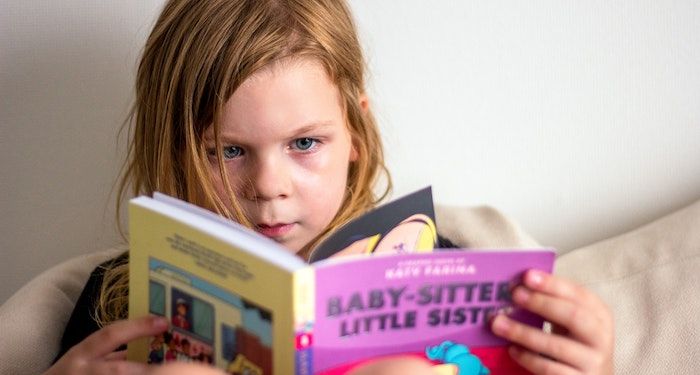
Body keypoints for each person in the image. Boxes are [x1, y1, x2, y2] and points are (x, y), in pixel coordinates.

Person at [46, 0, 614, 374]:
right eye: (227, 151)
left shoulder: (429, 261)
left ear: (355, 133)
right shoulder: (116, 294)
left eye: (305, 144)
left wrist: (592, 365)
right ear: (174, 150)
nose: (268, 187)